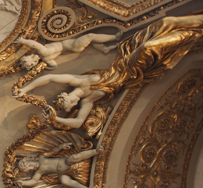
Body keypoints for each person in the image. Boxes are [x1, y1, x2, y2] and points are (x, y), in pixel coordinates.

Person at [14, 14, 203, 128]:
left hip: (125, 61)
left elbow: (49, 77)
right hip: (134, 71)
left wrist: (25, 89)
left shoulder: (79, 82)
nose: (71, 106)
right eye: (68, 108)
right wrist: (57, 119)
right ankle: (195, 33)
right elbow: (78, 123)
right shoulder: (88, 100)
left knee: (166, 22)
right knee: (152, 46)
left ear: (66, 97)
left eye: (67, 105)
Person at [16, 143, 101, 188]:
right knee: (64, 181)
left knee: (75, 157)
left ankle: (95, 151)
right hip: (65, 173)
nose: (33, 167)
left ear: (30, 159)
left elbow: (53, 151)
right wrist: (23, 183)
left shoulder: (42, 157)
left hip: (66, 162)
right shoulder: (39, 171)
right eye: (31, 169)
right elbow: (33, 181)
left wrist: (61, 146)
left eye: (30, 165)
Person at [15, 31, 120, 69]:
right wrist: (23, 41)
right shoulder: (43, 52)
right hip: (72, 45)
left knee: (92, 41)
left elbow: (54, 65)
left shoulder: (47, 59)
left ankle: (105, 49)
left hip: (72, 47)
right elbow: (34, 44)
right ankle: (114, 37)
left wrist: (43, 67)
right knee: (90, 36)